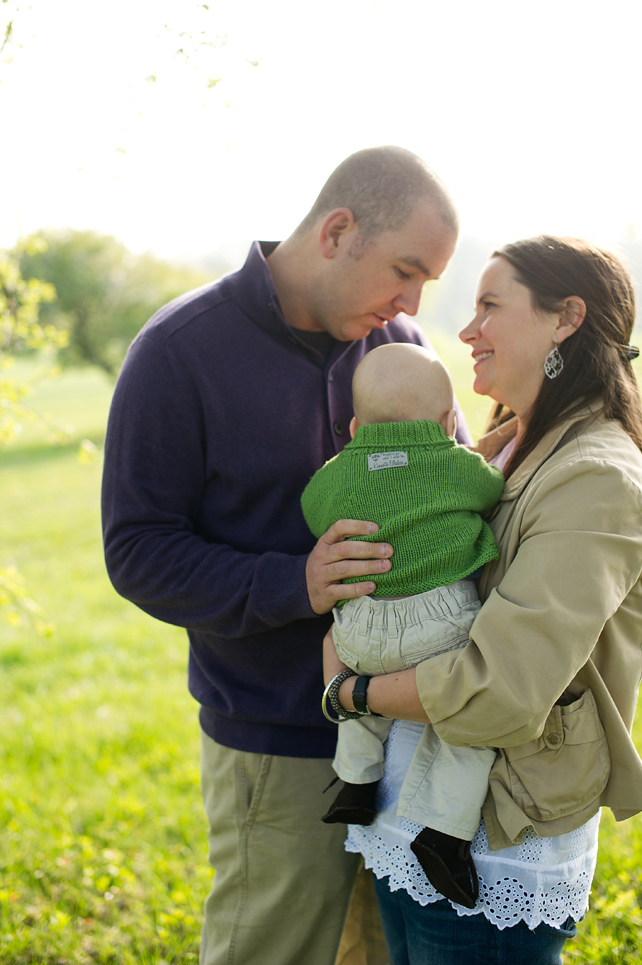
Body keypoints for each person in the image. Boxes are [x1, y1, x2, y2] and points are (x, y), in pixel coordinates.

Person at [101, 146, 465, 965]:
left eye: (425, 284)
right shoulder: (178, 350)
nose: (411, 301)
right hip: (279, 739)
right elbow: (138, 549)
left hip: (409, 732)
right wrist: (293, 582)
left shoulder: (399, 341)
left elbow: (456, 484)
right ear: (338, 231)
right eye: (405, 270)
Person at [323, 236, 642, 964]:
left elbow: (502, 689)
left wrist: (350, 690)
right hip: (405, 813)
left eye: (489, 306)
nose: (466, 331)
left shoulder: (597, 474)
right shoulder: (501, 448)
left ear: (566, 318)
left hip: (495, 840)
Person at [300, 343, 503, 908]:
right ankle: (444, 835)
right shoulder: (455, 464)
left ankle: (357, 781)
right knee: (467, 723)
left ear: (357, 425)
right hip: (439, 623)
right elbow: (492, 491)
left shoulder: (336, 475)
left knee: (359, 688)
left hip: (360, 623)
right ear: (446, 421)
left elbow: (314, 508)